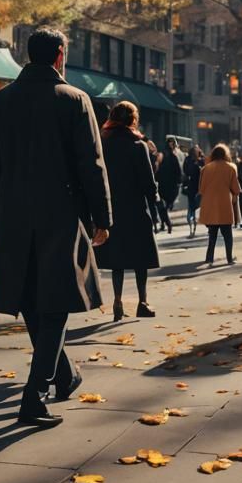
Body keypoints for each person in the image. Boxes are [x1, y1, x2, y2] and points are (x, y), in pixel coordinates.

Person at [0, 27, 110, 429]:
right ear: (60, 55)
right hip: (60, 213)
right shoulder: (74, 100)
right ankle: (34, 396)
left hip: (13, 213)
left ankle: (63, 375)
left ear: (27, 56)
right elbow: (91, 165)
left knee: (32, 298)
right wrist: (103, 218)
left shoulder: (0, 102)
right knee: (56, 303)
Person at [97, 101, 159, 320]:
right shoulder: (138, 146)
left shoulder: (103, 144)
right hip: (135, 208)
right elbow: (148, 183)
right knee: (140, 258)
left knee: (117, 260)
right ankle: (142, 301)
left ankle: (117, 301)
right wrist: (155, 204)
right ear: (133, 120)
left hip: (112, 209)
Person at [198, 143, 240, 265]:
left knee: (212, 235)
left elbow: (201, 189)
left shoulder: (205, 169)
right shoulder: (230, 168)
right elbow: (236, 189)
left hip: (210, 205)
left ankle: (209, 258)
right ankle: (229, 258)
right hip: (225, 205)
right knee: (228, 235)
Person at [158, 136, 183, 213]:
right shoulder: (173, 156)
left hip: (164, 181)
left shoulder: (162, 154)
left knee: (164, 200)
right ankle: (166, 211)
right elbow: (178, 169)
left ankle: (164, 215)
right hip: (170, 182)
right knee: (169, 200)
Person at [183, 145, 203, 236]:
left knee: (192, 209)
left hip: (195, 188)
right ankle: (192, 229)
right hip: (196, 188)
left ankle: (192, 229)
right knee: (193, 209)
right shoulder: (198, 161)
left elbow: (185, 172)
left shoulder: (192, 160)